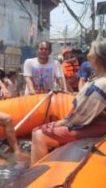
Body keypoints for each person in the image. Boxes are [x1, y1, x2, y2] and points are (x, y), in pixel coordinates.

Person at [31, 36, 106, 165]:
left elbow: (81, 118)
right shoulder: (98, 77)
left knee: (38, 134)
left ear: (96, 58)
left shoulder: (100, 84)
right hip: (95, 122)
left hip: (98, 126)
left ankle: (33, 175)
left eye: (91, 51)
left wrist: (62, 123)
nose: (88, 54)